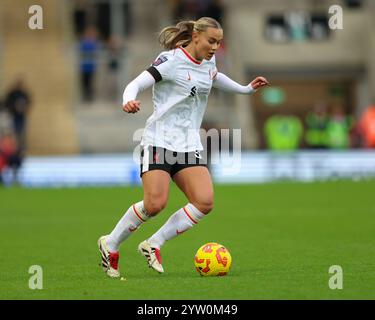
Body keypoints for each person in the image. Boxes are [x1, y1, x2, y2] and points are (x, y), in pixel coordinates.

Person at [98, 17, 269, 278]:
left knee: (204, 201)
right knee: (155, 204)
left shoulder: (208, 62)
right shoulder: (170, 61)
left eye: (219, 42)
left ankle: (153, 243)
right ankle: (110, 243)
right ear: (196, 37)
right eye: (211, 41)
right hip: (159, 141)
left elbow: (215, 76)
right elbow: (136, 83)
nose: (215, 47)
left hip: (189, 145)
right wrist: (128, 100)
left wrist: (245, 89)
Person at [4, 78, 32, 156]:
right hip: (13, 116)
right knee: (13, 133)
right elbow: (6, 103)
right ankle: (13, 150)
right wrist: (13, 108)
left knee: (22, 134)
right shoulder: (12, 93)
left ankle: (21, 151)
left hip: (22, 117)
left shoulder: (24, 93)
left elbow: (29, 103)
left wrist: (23, 108)